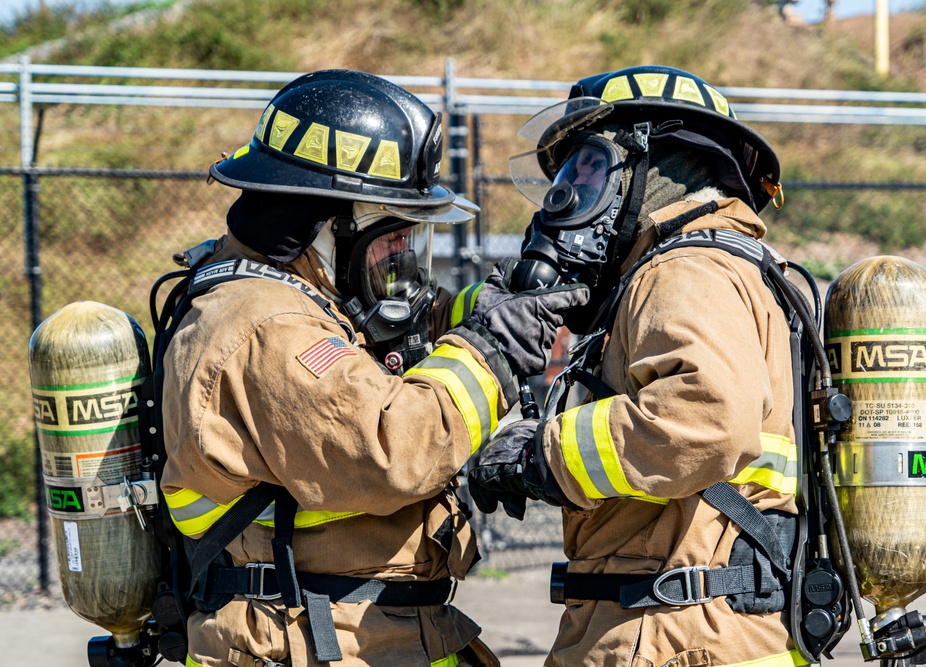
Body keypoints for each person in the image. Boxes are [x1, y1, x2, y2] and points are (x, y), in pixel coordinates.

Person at [158, 69, 588, 667]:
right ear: (325, 229)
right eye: (393, 237)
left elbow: (401, 337)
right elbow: (395, 445)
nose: (405, 257)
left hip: (366, 634)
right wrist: (492, 350)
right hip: (308, 641)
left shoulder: (310, 298)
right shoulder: (266, 327)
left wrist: (507, 302)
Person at [469, 65, 806, 667]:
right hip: (685, 625)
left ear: (656, 168)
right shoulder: (733, 268)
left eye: (589, 167)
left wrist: (538, 456)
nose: (568, 194)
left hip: (667, 632)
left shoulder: (683, 270)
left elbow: (705, 417)